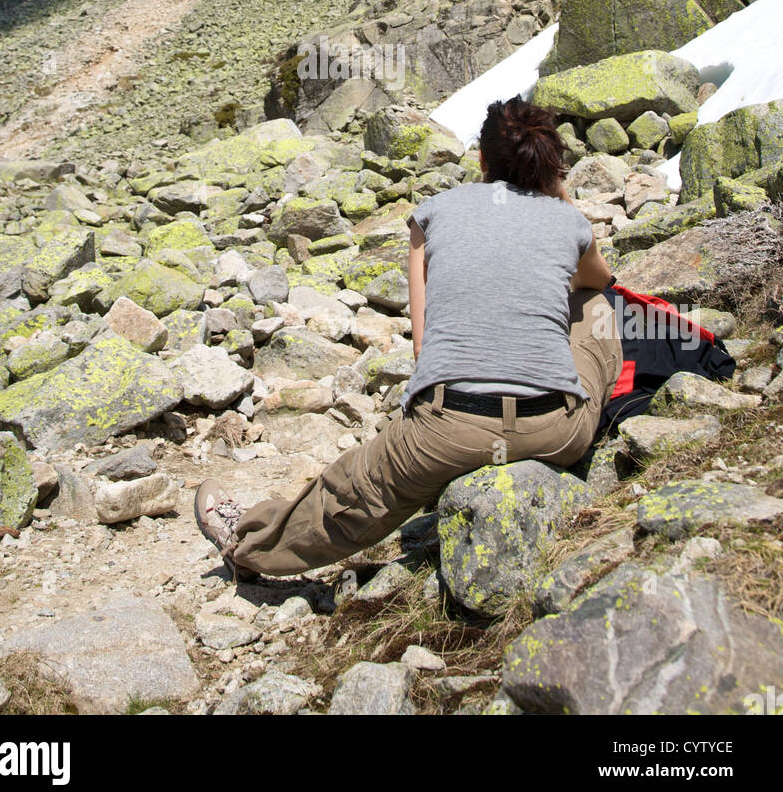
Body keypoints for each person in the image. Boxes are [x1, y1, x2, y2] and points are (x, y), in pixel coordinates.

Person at [194, 95, 622, 581]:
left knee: (352, 489)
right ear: (548, 166)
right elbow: (598, 282)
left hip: (447, 429)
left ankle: (247, 541)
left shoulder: (433, 213)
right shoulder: (568, 220)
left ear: (481, 158)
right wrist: (557, 198)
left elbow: (423, 348)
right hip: (556, 431)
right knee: (595, 308)